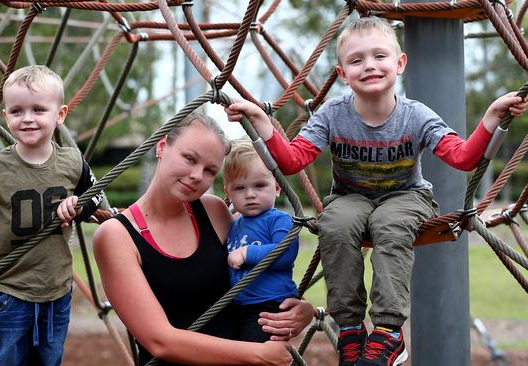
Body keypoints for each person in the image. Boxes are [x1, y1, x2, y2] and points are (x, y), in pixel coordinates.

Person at [225, 16, 528, 366]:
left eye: (379, 56)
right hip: (350, 198)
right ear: (342, 73)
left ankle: (388, 333)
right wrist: (262, 120)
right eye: (356, 60)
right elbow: (292, 160)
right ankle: (351, 329)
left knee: (390, 222)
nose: (369, 65)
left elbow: (462, 158)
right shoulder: (331, 115)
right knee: (333, 223)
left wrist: (491, 116)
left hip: (407, 197)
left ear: (399, 63)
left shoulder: (417, 116)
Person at [93, 113, 313, 365]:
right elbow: (160, 341)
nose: (198, 175)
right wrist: (256, 355)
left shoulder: (213, 211)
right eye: (189, 158)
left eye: (210, 170)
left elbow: (252, 278)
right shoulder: (116, 236)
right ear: (162, 146)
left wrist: (300, 309)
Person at [0, 65, 101, 366]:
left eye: (38, 109)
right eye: (17, 111)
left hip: (56, 286)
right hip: (8, 287)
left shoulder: (73, 162)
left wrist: (79, 204)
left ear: (60, 115)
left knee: (49, 360)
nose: (27, 119)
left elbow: (95, 196)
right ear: (6, 116)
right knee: (8, 360)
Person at [223, 138, 299, 343]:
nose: (250, 194)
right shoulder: (234, 225)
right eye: (240, 188)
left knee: (255, 355)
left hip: (268, 307)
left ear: (277, 187)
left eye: (259, 185)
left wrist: (246, 253)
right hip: (238, 305)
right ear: (228, 193)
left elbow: (285, 253)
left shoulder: (279, 220)